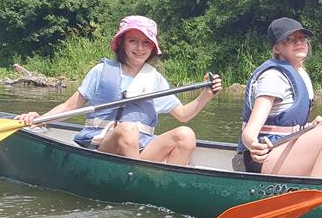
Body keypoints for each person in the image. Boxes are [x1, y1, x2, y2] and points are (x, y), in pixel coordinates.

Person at [16, 15, 222, 165]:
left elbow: (184, 115)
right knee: (127, 129)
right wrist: (39, 120)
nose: (140, 48)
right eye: (133, 41)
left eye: (146, 43)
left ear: (152, 47)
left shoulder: (155, 79)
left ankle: (167, 185)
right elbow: (70, 106)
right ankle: (138, 181)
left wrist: (207, 94)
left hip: (141, 149)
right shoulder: (101, 71)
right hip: (105, 146)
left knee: (186, 135)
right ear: (121, 43)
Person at [240, 17, 322, 177]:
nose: (299, 43)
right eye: (290, 40)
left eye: (302, 38)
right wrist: (254, 145)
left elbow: (289, 126)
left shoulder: (300, 72)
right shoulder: (273, 77)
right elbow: (249, 132)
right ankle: (314, 188)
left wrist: (310, 126)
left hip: (289, 146)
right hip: (265, 157)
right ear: (276, 48)